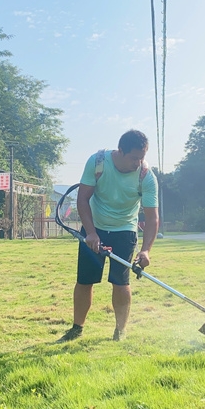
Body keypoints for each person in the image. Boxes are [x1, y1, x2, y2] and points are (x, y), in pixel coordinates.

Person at [58, 129, 159, 342]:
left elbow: (152, 218)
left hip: (125, 231)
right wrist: (91, 233)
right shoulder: (98, 163)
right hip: (94, 227)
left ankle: (120, 331)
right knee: (85, 281)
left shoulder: (146, 176)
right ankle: (76, 328)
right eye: (134, 158)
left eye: (141, 158)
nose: (138, 163)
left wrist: (145, 250)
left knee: (121, 283)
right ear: (120, 151)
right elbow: (82, 199)